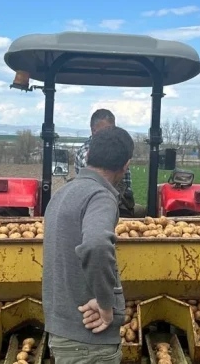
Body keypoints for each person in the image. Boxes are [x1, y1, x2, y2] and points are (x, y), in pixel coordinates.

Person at [43, 125, 134, 364]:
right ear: (126, 165)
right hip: (89, 342)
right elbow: (97, 245)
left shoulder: (62, 193)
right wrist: (105, 303)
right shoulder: (100, 196)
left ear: (89, 155)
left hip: (63, 332)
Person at [76, 109, 145, 218]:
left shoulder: (118, 148)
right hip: (94, 202)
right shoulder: (85, 152)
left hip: (120, 200)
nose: (110, 134)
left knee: (142, 211)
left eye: (112, 129)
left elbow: (127, 184)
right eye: (105, 131)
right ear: (93, 131)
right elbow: (98, 184)